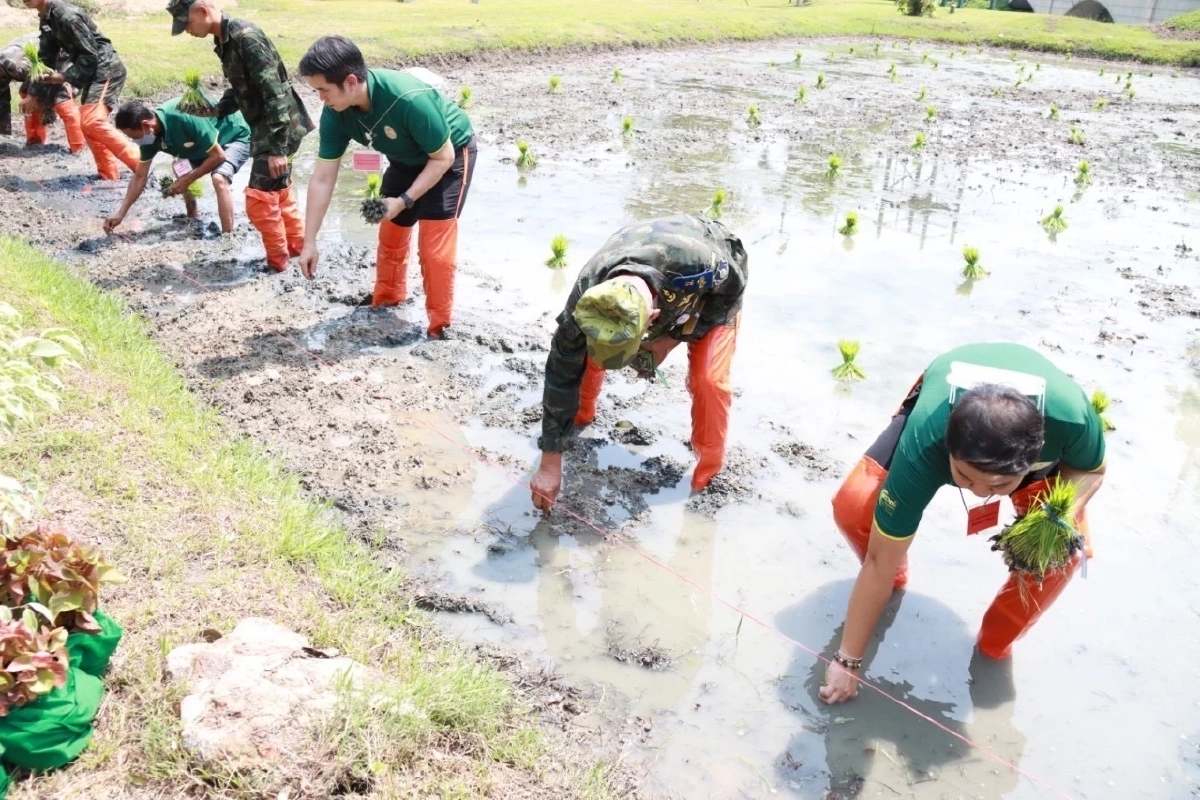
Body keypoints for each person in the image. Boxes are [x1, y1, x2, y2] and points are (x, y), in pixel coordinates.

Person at [820, 342, 1107, 705]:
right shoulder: (927, 443)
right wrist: (847, 660)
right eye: (965, 479)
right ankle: (896, 583)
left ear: (1037, 456)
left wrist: (1057, 516)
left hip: (1039, 448)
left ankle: (994, 647)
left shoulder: (1073, 420)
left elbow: (1092, 468)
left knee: (1058, 557)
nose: (981, 494)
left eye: (999, 486)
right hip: (941, 419)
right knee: (856, 504)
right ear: (948, 453)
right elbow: (877, 561)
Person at [529, 214, 748, 510]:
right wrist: (549, 463)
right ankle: (581, 418)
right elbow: (560, 374)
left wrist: (671, 339)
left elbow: (733, 289)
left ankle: (706, 472)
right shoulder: (586, 296)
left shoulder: (702, 266)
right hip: (643, 257)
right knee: (585, 356)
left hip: (711, 290)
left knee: (708, 380)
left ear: (653, 320)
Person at [296, 35, 477, 338]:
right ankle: (388, 298)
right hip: (405, 159)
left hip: (449, 155)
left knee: (434, 247)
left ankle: (439, 327)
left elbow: (442, 157)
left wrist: (404, 200)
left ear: (351, 82)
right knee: (391, 230)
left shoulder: (408, 100)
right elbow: (323, 178)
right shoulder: (335, 113)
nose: (320, 99)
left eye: (323, 90)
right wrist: (309, 241)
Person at [168, 0, 313, 271]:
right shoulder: (224, 42)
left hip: (278, 129)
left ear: (202, 10)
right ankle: (296, 250)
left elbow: (275, 93)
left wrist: (277, 148)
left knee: (260, 199)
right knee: (278, 191)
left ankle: (278, 264)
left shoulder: (245, 37)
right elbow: (240, 89)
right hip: (265, 127)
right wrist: (215, 111)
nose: (187, 30)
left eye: (186, 23)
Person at [21, 0, 140, 180]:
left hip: (105, 69)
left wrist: (64, 77)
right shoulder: (47, 17)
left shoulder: (68, 16)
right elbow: (46, 58)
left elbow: (90, 54)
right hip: (92, 73)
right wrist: (32, 94)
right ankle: (109, 177)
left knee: (91, 121)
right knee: (89, 124)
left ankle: (141, 164)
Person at [104, 98, 251, 235]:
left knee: (219, 178)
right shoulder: (149, 138)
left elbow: (218, 156)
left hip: (233, 137)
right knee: (180, 166)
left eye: (134, 137)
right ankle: (192, 215)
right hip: (202, 146)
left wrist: (187, 180)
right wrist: (120, 213)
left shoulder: (183, 116)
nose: (134, 141)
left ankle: (227, 236)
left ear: (146, 125)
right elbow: (140, 176)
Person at [0, 33, 83, 151]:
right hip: (41, 64)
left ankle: (78, 148)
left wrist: (33, 96)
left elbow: (46, 70)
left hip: (64, 58)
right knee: (25, 92)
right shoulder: (3, 69)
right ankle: (35, 142)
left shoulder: (17, 64)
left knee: (62, 99)